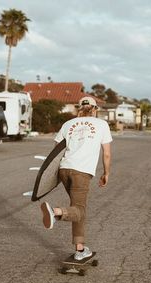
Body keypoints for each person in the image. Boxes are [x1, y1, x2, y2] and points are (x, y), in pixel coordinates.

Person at [40, 96, 112, 260]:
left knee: (78, 208)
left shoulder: (68, 124)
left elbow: (55, 153)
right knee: (79, 210)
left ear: (79, 108)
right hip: (81, 171)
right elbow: (106, 154)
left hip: (64, 169)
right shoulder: (101, 125)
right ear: (95, 109)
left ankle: (80, 249)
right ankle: (55, 212)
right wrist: (106, 173)